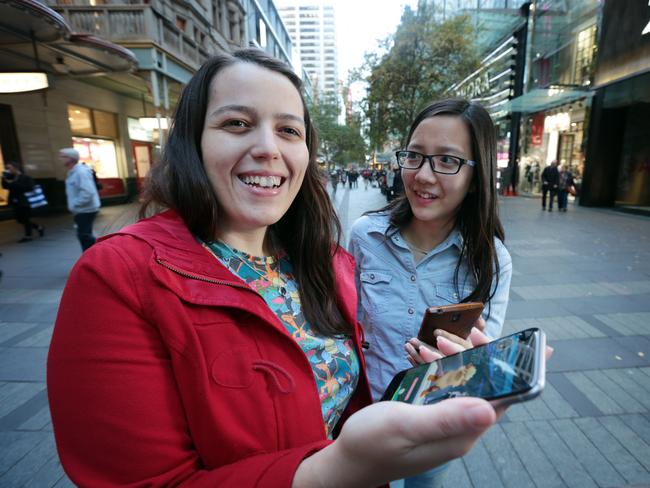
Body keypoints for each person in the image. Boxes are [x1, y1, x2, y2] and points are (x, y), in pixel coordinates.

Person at [48, 49, 499, 488]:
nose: (267, 148)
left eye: (288, 130)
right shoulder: (116, 277)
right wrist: (339, 468)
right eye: (237, 123)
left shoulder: (325, 262)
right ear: (191, 142)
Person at [349, 98, 512, 488]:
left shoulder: (492, 261)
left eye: (447, 160)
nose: (423, 175)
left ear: (477, 175)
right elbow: (345, 327)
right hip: (365, 417)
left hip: (435, 421)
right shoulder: (364, 236)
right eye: (415, 156)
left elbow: (481, 361)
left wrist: (474, 360)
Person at [58, 148, 101, 251]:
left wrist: (75, 204)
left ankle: (91, 258)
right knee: (85, 235)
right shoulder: (73, 172)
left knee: (84, 236)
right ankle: (93, 256)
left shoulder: (80, 172)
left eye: (63, 156)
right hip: (82, 209)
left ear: (71, 158)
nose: (60, 159)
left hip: (85, 209)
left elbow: (87, 192)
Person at [1, 162, 45, 243]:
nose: (8, 170)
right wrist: (3, 178)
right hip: (14, 200)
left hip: (24, 200)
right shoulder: (11, 177)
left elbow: (29, 188)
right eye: (7, 168)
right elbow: (5, 186)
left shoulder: (25, 177)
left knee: (25, 218)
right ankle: (39, 227)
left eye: (9, 168)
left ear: (15, 168)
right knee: (20, 219)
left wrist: (13, 184)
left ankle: (28, 236)